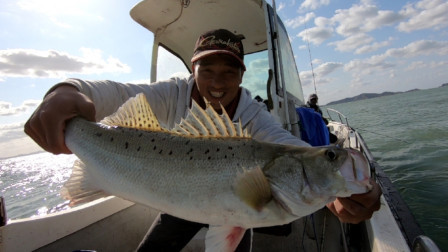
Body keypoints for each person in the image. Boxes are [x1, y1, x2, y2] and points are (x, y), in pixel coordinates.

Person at [24, 29, 381, 251]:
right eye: (206, 70)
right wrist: (62, 92)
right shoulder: (171, 93)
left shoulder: (254, 115)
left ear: (243, 75)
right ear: (192, 70)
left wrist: (338, 199)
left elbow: (293, 150)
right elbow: (111, 92)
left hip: (237, 210)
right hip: (181, 203)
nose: (217, 82)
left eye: (229, 71)